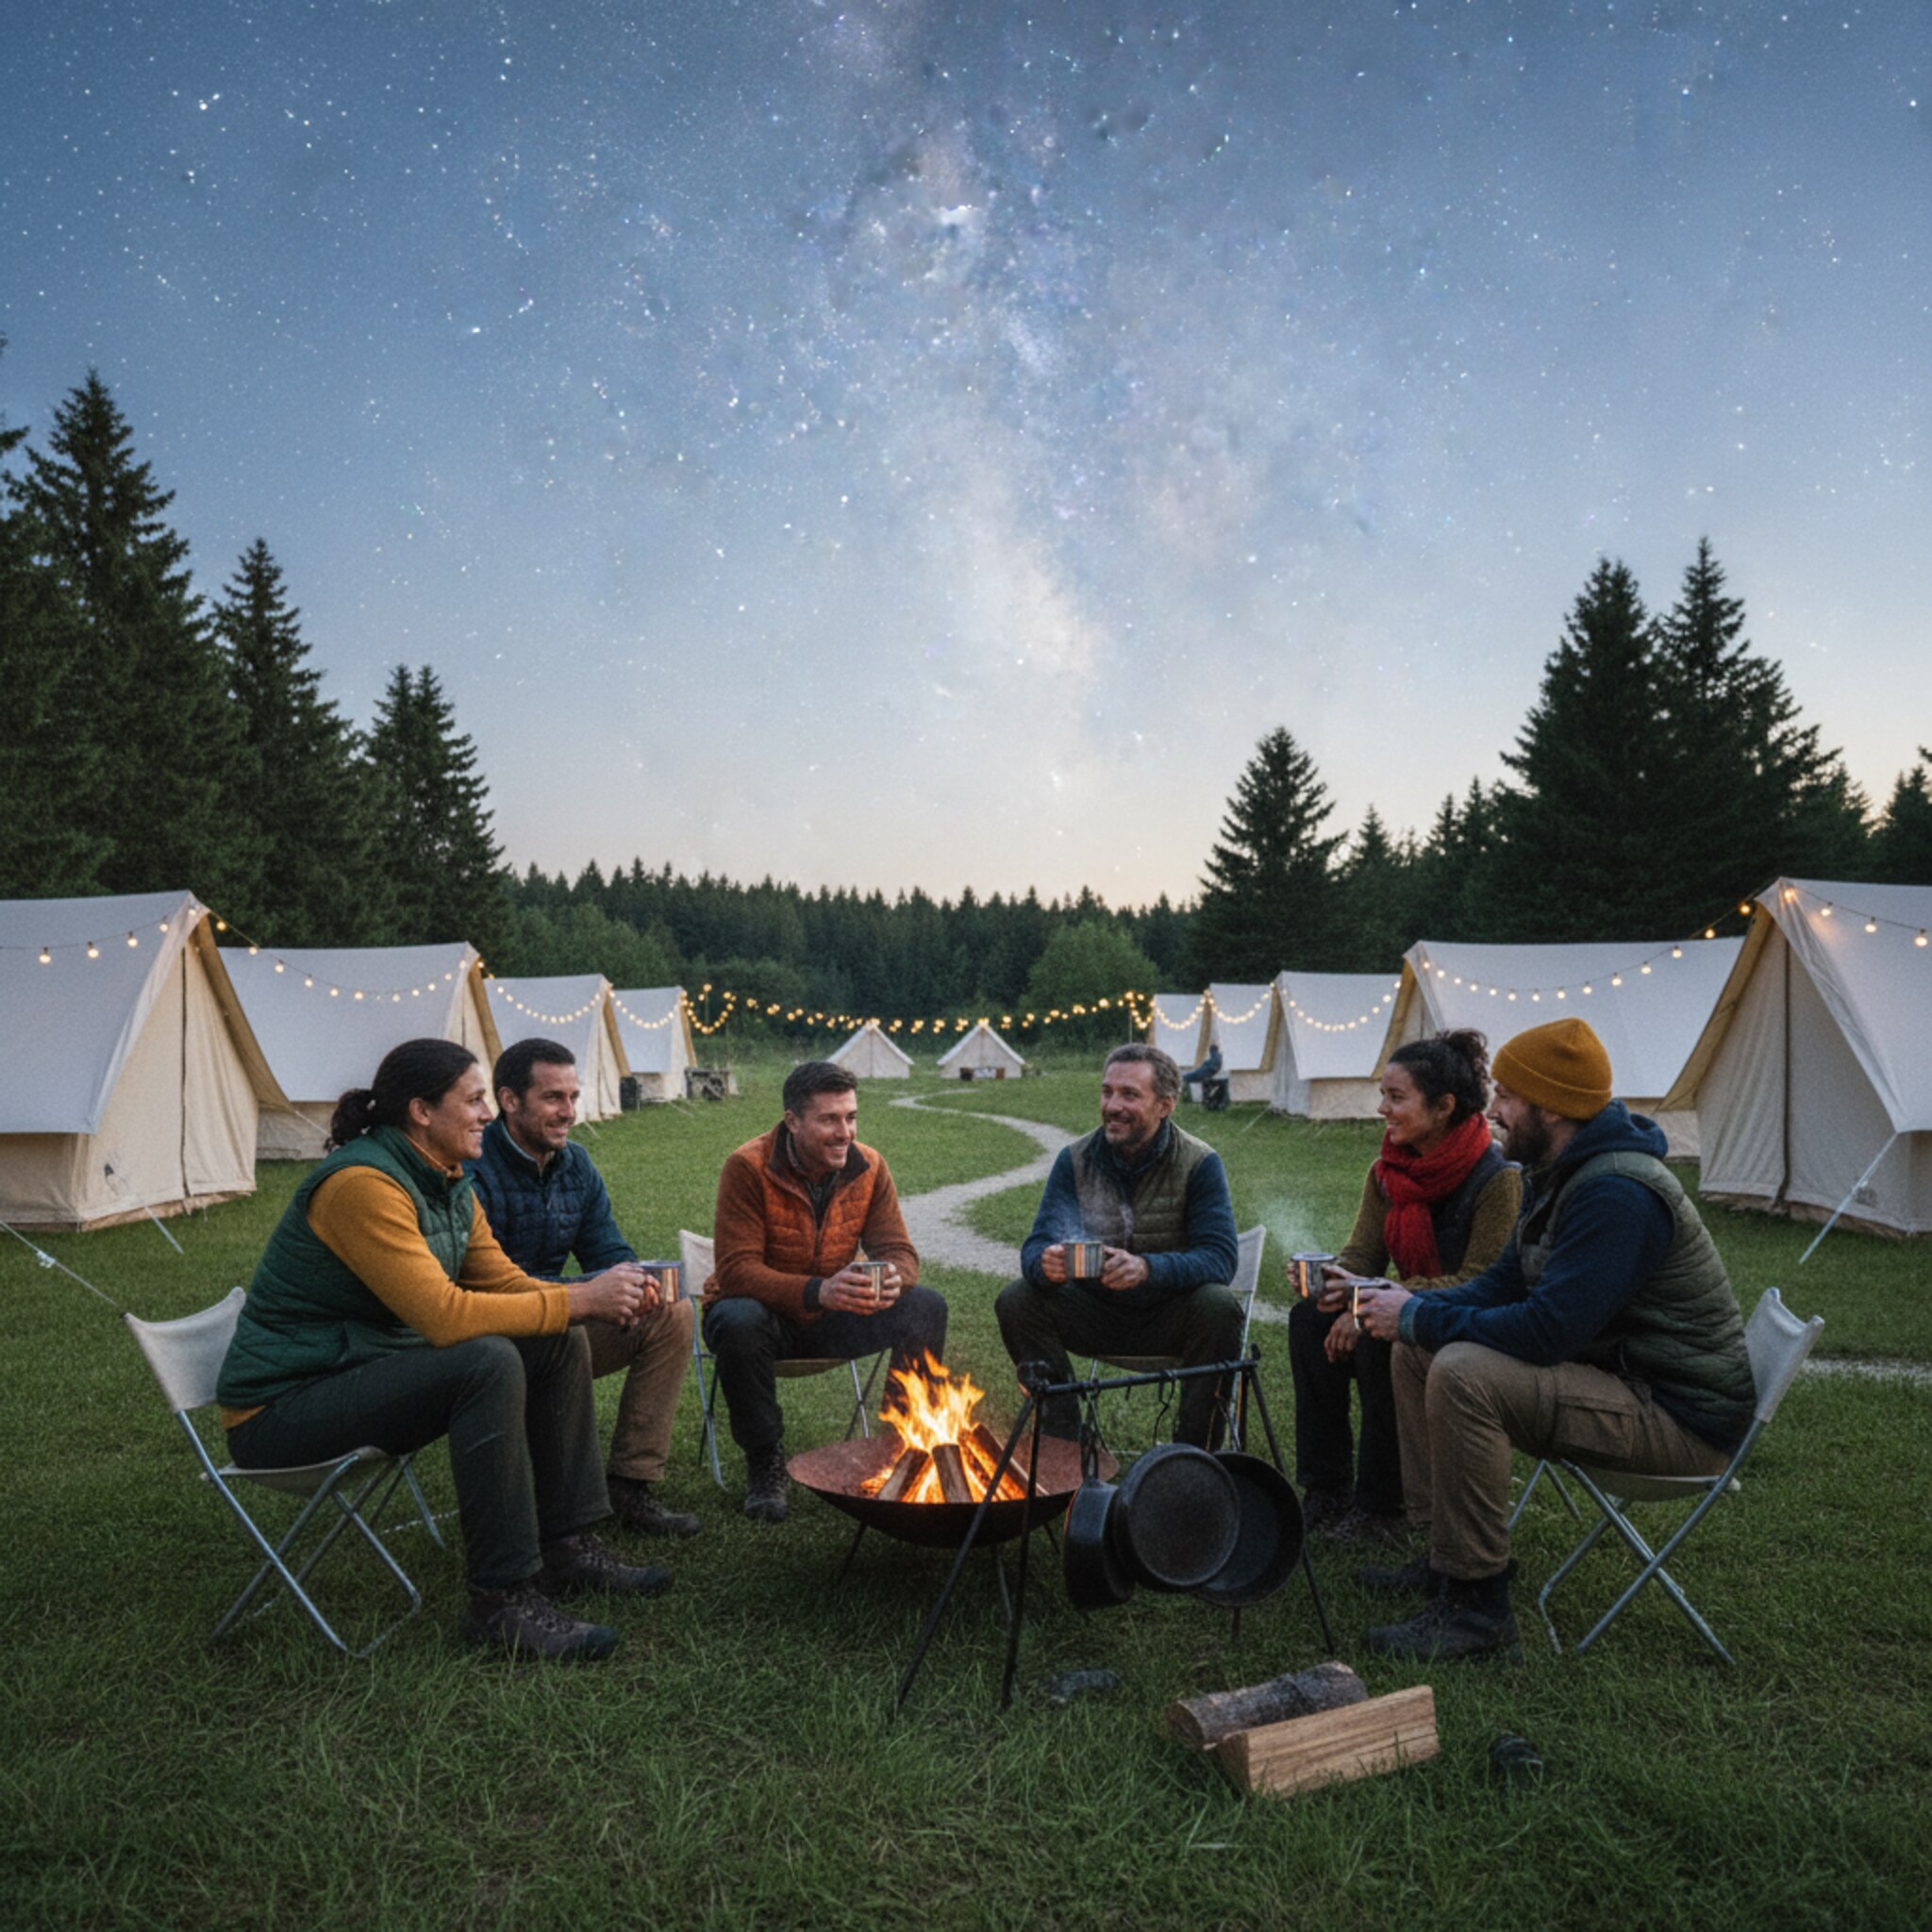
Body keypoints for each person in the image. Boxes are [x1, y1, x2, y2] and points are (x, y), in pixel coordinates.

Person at [217, 1039, 669, 1664]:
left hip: (362, 1369)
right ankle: (501, 1600)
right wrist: (581, 1300)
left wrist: (580, 1302)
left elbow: (502, 1282)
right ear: (422, 1111)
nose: (487, 1113)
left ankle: (566, 1547)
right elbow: (444, 1315)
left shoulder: (449, 1180)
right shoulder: (361, 1185)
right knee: (486, 1362)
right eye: (475, 1099)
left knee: (553, 1339)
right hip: (283, 1411)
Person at [1354, 1016, 1756, 1661]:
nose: (1494, 1109)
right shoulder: (1559, 1171)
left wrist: (1417, 1315)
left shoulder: (1617, 1193)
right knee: (1417, 1350)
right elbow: (1501, 1285)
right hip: (1625, 1382)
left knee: (1462, 1372)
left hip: (1677, 1419)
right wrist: (1408, 1307)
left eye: (1508, 1096)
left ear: (1553, 1107)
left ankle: (1478, 1610)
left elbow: (1546, 1331)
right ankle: (1446, 1557)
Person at [1290, 1030, 1521, 1547]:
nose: (1382, 1110)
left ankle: (1383, 1508)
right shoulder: (1387, 1172)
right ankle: (1327, 1488)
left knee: (1382, 1335)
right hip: (1405, 1303)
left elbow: (1484, 1280)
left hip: (1469, 1322)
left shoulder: (1497, 1177)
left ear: (1444, 1107)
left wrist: (1372, 1301)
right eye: (1383, 1095)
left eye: (1396, 1097)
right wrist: (1336, 1283)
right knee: (1309, 1318)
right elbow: (1362, 1255)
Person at [466, 1038, 700, 1540]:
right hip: (491, 1338)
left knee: (672, 1311)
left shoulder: (576, 1164)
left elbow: (607, 1251)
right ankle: (566, 1523)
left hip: (561, 1321)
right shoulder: (473, 1167)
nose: (569, 1112)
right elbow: (478, 1287)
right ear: (509, 1100)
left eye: (573, 1097)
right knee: (569, 1328)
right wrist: (587, 1296)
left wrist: (635, 1284)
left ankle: (631, 1484)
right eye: (553, 1098)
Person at [703, 1060, 944, 1523]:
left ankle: (903, 1446)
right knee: (738, 1319)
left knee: (925, 1306)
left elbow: (899, 1251)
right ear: (792, 1122)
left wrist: (892, 1277)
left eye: (851, 1117)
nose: (845, 1133)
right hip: (767, 1321)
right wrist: (819, 1291)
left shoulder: (868, 1166)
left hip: (833, 1318)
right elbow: (735, 1272)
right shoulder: (748, 1167)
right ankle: (765, 1462)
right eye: (829, 1120)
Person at [996, 1043, 1242, 1448]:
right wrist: (1045, 1264)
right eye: (1107, 1092)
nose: (1113, 1106)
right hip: (1095, 1313)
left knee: (1217, 1305)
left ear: (1165, 1105)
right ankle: (1064, 1437)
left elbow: (1220, 1257)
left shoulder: (1199, 1163)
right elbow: (1037, 1244)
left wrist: (1148, 1269)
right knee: (1018, 1299)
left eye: (1129, 1095)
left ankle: (1195, 1455)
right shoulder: (1075, 1159)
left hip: (1169, 1317)